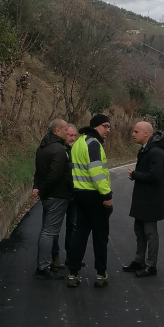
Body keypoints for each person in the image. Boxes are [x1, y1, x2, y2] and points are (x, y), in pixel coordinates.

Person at [67, 114, 113, 289]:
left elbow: (73, 170)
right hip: (95, 196)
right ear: (96, 126)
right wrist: (107, 196)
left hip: (79, 195)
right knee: (100, 237)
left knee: (80, 235)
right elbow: (96, 173)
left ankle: (73, 273)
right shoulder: (93, 144)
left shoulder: (78, 143)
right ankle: (101, 274)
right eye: (106, 126)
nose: (108, 130)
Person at [122, 122, 164, 277]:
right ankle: (139, 261)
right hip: (142, 199)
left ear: (146, 134)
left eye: (136, 131)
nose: (133, 134)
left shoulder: (156, 153)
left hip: (151, 200)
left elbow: (156, 176)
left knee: (150, 233)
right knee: (139, 231)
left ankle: (151, 265)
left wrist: (135, 175)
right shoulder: (146, 150)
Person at [32, 119, 72, 280]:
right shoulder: (59, 150)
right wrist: (42, 191)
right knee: (49, 232)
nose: (67, 131)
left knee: (46, 230)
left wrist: (38, 188)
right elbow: (54, 176)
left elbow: (38, 172)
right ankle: (43, 267)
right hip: (57, 196)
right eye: (64, 129)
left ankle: (44, 264)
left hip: (48, 196)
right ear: (57, 131)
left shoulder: (42, 148)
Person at [51, 123, 79, 269]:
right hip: (61, 195)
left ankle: (71, 256)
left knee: (73, 226)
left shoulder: (77, 151)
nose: (72, 138)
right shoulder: (59, 151)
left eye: (74, 135)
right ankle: (55, 257)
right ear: (63, 135)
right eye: (69, 135)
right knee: (55, 227)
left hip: (74, 195)